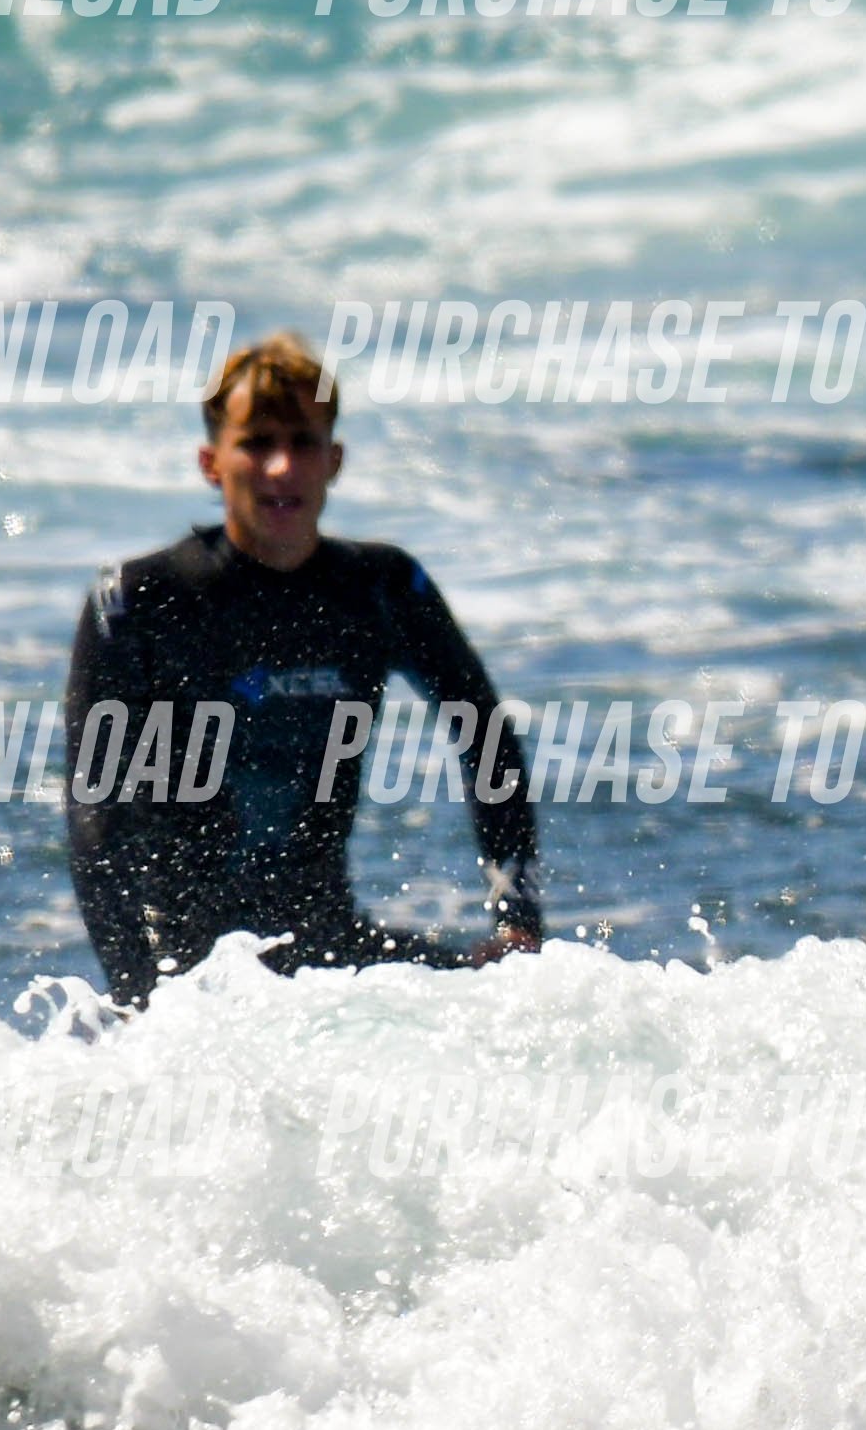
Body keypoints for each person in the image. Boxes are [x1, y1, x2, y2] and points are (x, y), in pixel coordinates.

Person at [63, 331, 543, 1005]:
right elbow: (95, 814)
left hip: (330, 954)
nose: (282, 467)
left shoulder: (382, 589)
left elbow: (486, 740)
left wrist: (517, 921)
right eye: (257, 443)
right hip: (192, 981)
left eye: (303, 443)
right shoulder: (142, 602)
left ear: (334, 459)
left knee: (529, 1009)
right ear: (211, 462)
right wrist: (139, 997)